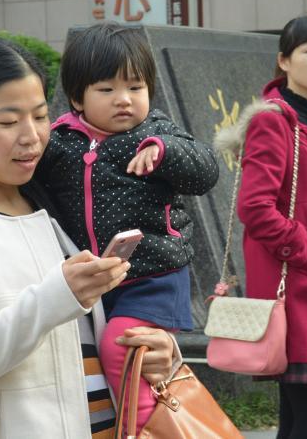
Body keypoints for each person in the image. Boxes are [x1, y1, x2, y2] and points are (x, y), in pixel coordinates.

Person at [0, 37, 180, 439]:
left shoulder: (53, 205)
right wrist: (55, 297)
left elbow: (92, 337)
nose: (31, 136)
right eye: (8, 122)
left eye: (41, 116)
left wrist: (160, 350)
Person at [35, 23, 219, 433]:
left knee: (121, 347)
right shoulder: (59, 141)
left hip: (152, 277)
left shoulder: (155, 133)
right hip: (93, 280)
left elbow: (206, 169)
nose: (124, 99)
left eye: (135, 87)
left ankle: (144, 429)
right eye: (106, 89)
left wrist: (164, 152)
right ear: (77, 97)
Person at [221, 15, 307, 439]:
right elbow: (255, 207)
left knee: (296, 420)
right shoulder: (274, 121)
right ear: (284, 61)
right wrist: (302, 248)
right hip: (297, 290)